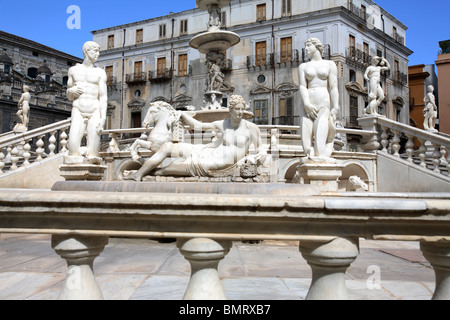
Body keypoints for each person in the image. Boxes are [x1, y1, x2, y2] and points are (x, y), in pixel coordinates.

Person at [124, 95, 266, 181]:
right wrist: (182, 114)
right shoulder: (224, 124)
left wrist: (255, 158)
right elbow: (198, 125)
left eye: (242, 109)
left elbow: (262, 150)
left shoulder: (251, 128)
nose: (240, 112)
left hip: (218, 163)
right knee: (167, 146)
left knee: (174, 167)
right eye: (237, 109)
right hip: (207, 150)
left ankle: (152, 173)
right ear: (230, 109)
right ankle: (139, 174)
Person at [298, 38, 339, 160]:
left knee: (320, 149)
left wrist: (336, 106)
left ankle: (330, 142)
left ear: (317, 46)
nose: (306, 48)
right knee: (306, 147)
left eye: (308, 45)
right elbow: (302, 86)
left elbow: (333, 87)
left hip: (323, 104)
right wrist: (306, 103)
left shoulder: (330, 64)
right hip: (307, 105)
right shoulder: (303, 66)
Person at [66, 41, 107, 161]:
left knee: (93, 153)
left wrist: (103, 118)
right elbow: (69, 94)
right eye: (95, 51)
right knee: (73, 149)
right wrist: (71, 91)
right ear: (87, 51)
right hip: (78, 108)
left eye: (98, 51)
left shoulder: (100, 72)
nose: (98, 54)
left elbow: (103, 97)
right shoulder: (73, 70)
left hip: (94, 110)